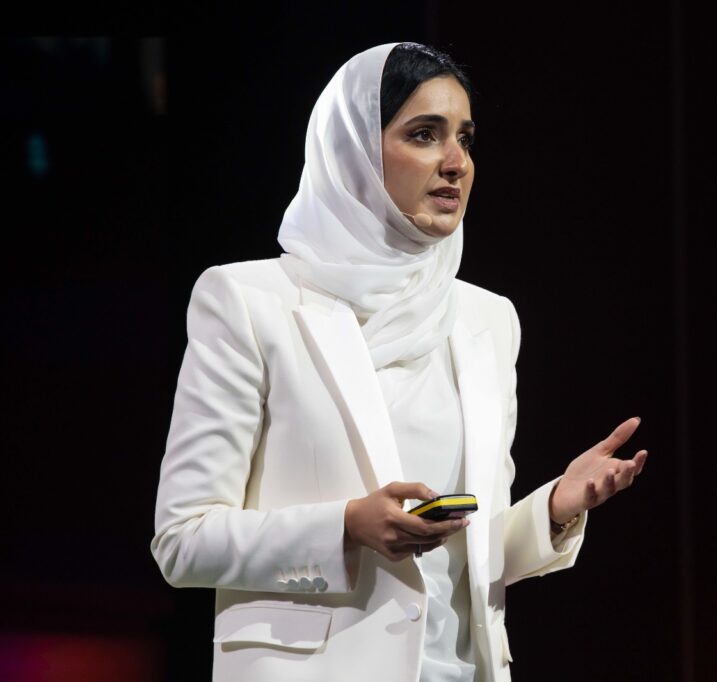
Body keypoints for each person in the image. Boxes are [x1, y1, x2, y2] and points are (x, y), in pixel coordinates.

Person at [150, 42, 648, 682]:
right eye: (423, 134)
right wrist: (346, 527)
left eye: (465, 138)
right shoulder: (249, 301)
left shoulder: (488, 319)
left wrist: (553, 508)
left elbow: (472, 557)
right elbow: (183, 541)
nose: (455, 162)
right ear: (353, 151)